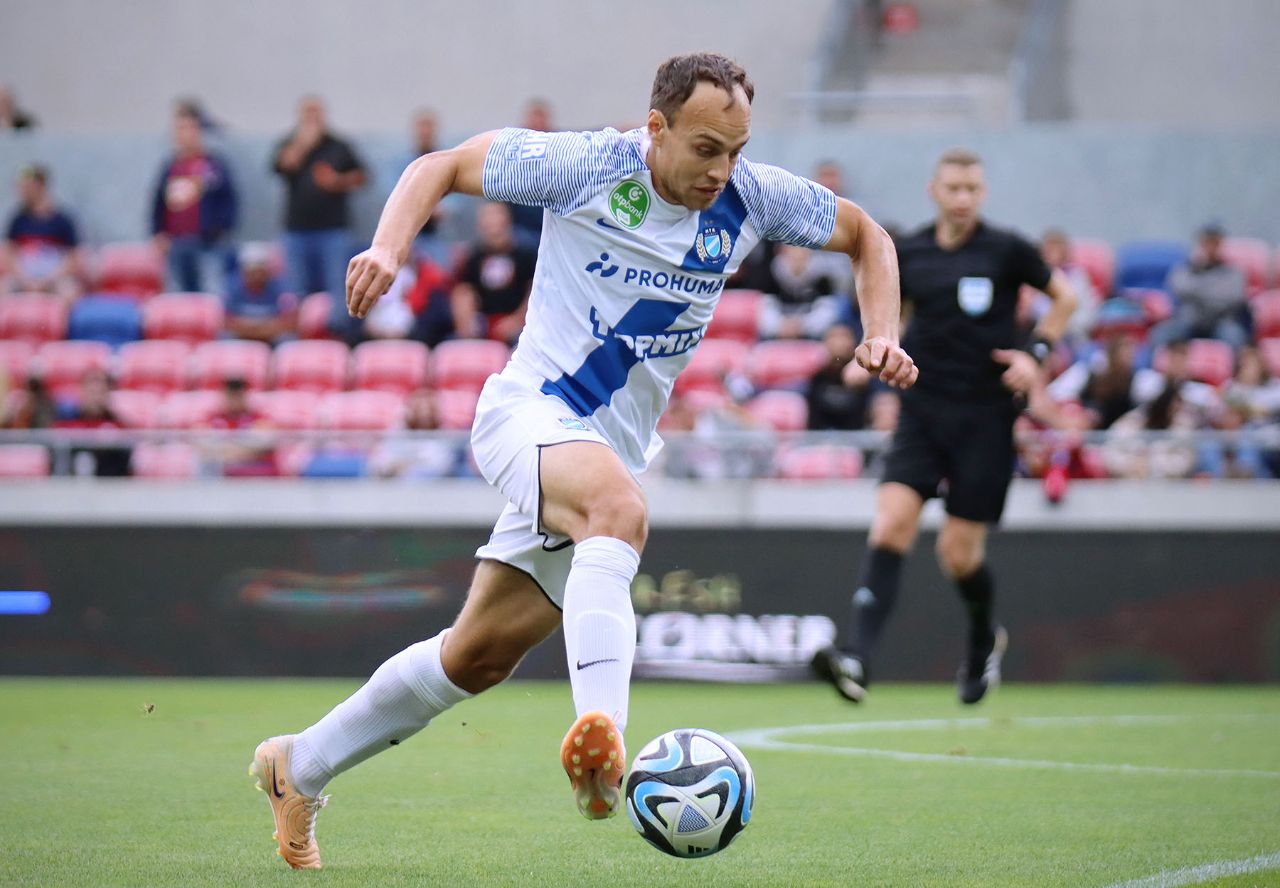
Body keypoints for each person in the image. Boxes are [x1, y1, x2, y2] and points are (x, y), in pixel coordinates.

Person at [250, 51, 916, 870]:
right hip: (527, 413)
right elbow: (441, 165)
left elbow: (867, 236)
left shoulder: (752, 196)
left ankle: (298, 768)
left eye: (737, 150)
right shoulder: (587, 166)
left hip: (606, 449)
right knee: (621, 510)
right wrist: (389, 249)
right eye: (706, 148)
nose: (723, 170)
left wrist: (881, 332)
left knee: (476, 657)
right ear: (656, 128)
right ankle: (606, 746)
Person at [812, 147, 1077, 705]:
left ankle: (983, 640)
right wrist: (876, 346)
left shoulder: (1007, 250)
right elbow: (893, 311)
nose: (962, 198)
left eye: (972, 189)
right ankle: (856, 656)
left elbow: (1066, 297)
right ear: (934, 191)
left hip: (986, 419)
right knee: (891, 525)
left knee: (958, 555)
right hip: (922, 411)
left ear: (983, 194)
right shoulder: (910, 252)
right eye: (953, 188)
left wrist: (1035, 354)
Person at [272, 96, 367, 339]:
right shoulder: (290, 143)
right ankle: (295, 335)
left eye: (317, 113)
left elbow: (361, 176)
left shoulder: (338, 146)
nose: (313, 118)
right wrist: (303, 144)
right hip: (297, 229)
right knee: (294, 288)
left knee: (338, 286)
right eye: (308, 113)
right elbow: (283, 166)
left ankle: (338, 334)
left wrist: (338, 182)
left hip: (333, 229)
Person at [150, 105, 238, 293]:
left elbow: (229, 200)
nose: (185, 134)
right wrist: (158, 232)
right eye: (180, 129)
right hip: (176, 243)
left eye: (189, 128)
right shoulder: (171, 167)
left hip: (208, 243)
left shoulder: (213, 165)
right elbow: (159, 202)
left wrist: (221, 229)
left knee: (209, 292)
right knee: (180, 295)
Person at [1151, 223, 1250, 350]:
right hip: (1189, 320)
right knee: (1160, 335)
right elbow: (1176, 286)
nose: (1210, 247)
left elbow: (1233, 297)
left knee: (1235, 338)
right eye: (1206, 242)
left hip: (1221, 322)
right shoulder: (1186, 268)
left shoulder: (1232, 271)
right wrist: (1212, 289)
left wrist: (1196, 290)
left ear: (1220, 244)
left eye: (1214, 243)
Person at [450, 201, 537, 345]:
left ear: (508, 220)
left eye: (496, 215)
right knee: (453, 343)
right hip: (483, 324)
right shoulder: (473, 257)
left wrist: (516, 321)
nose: (492, 222)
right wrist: (466, 322)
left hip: (520, 326)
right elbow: (464, 292)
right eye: (487, 217)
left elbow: (535, 292)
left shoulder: (526, 255)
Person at [3, 164, 84, 300]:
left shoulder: (63, 220)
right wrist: (25, 280)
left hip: (55, 277)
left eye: (26, 187)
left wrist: (49, 279)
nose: (21, 192)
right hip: (23, 277)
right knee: (4, 288)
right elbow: (9, 254)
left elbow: (74, 257)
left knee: (69, 292)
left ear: (40, 187)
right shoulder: (17, 220)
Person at [223, 242, 296, 344]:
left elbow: (289, 322)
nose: (256, 276)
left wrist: (260, 331)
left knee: (287, 339)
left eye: (259, 271)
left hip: (271, 336)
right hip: (242, 335)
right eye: (252, 272)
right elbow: (226, 322)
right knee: (225, 337)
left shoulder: (282, 288)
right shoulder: (231, 287)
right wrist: (253, 331)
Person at [807, 323, 871, 430]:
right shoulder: (816, 378)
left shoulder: (866, 375)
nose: (839, 343)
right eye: (834, 337)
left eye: (844, 337)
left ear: (854, 342)